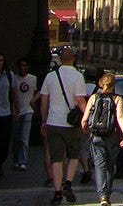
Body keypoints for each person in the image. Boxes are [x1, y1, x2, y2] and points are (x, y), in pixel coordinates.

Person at [38, 45, 86, 205]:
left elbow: (44, 101)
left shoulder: (50, 76)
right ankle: (68, 183)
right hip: (71, 125)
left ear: (60, 59)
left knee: (56, 159)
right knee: (74, 156)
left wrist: (44, 120)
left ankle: (57, 192)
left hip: (53, 122)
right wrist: (86, 119)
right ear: (73, 59)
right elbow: (80, 100)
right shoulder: (78, 76)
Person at [81, 72, 123, 206]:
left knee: (100, 166)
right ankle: (107, 194)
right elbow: (120, 117)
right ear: (114, 85)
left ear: (100, 84)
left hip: (96, 136)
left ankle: (102, 196)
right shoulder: (117, 99)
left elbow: (84, 119)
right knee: (110, 166)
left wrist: (86, 130)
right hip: (112, 137)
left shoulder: (93, 98)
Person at [12, 57, 37, 171]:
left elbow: (38, 91)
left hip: (28, 111)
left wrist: (33, 102)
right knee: (16, 137)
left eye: (24, 65)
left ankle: (22, 161)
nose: (22, 68)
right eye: (20, 65)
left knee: (24, 137)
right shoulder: (14, 79)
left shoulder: (33, 79)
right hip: (16, 111)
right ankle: (16, 160)